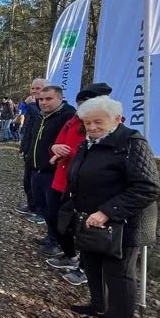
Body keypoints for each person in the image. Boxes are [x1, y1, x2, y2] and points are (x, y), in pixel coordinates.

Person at [66, 96, 159, 318]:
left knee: (119, 273)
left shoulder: (131, 143)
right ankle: (98, 306)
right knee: (92, 263)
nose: (92, 127)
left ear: (117, 119)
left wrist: (107, 211)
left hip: (125, 222)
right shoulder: (90, 142)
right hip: (93, 219)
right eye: (87, 123)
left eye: (98, 122)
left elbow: (147, 187)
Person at [44, 83, 113, 282]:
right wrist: (55, 149)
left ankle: (84, 268)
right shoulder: (73, 121)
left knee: (83, 227)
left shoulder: (105, 124)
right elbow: (57, 144)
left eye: (86, 103)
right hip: (61, 179)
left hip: (86, 184)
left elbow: (95, 154)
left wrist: (70, 154)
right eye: (81, 103)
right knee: (56, 219)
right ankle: (70, 255)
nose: (82, 107)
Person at [28, 86, 76, 255]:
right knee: (43, 207)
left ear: (60, 99)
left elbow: (71, 144)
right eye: (41, 99)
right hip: (36, 169)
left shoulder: (67, 116)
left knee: (54, 210)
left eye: (49, 99)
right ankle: (51, 236)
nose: (43, 102)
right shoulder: (41, 117)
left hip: (54, 172)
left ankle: (57, 242)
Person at [16, 78, 50, 218]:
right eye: (33, 88)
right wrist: (23, 147)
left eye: (38, 88)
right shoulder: (32, 106)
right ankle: (32, 205)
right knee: (28, 181)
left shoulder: (42, 107)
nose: (34, 91)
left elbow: (40, 120)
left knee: (38, 183)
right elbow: (29, 129)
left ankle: (40, 211)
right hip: (30, 150)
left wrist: (31, 105)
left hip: (41, 153)